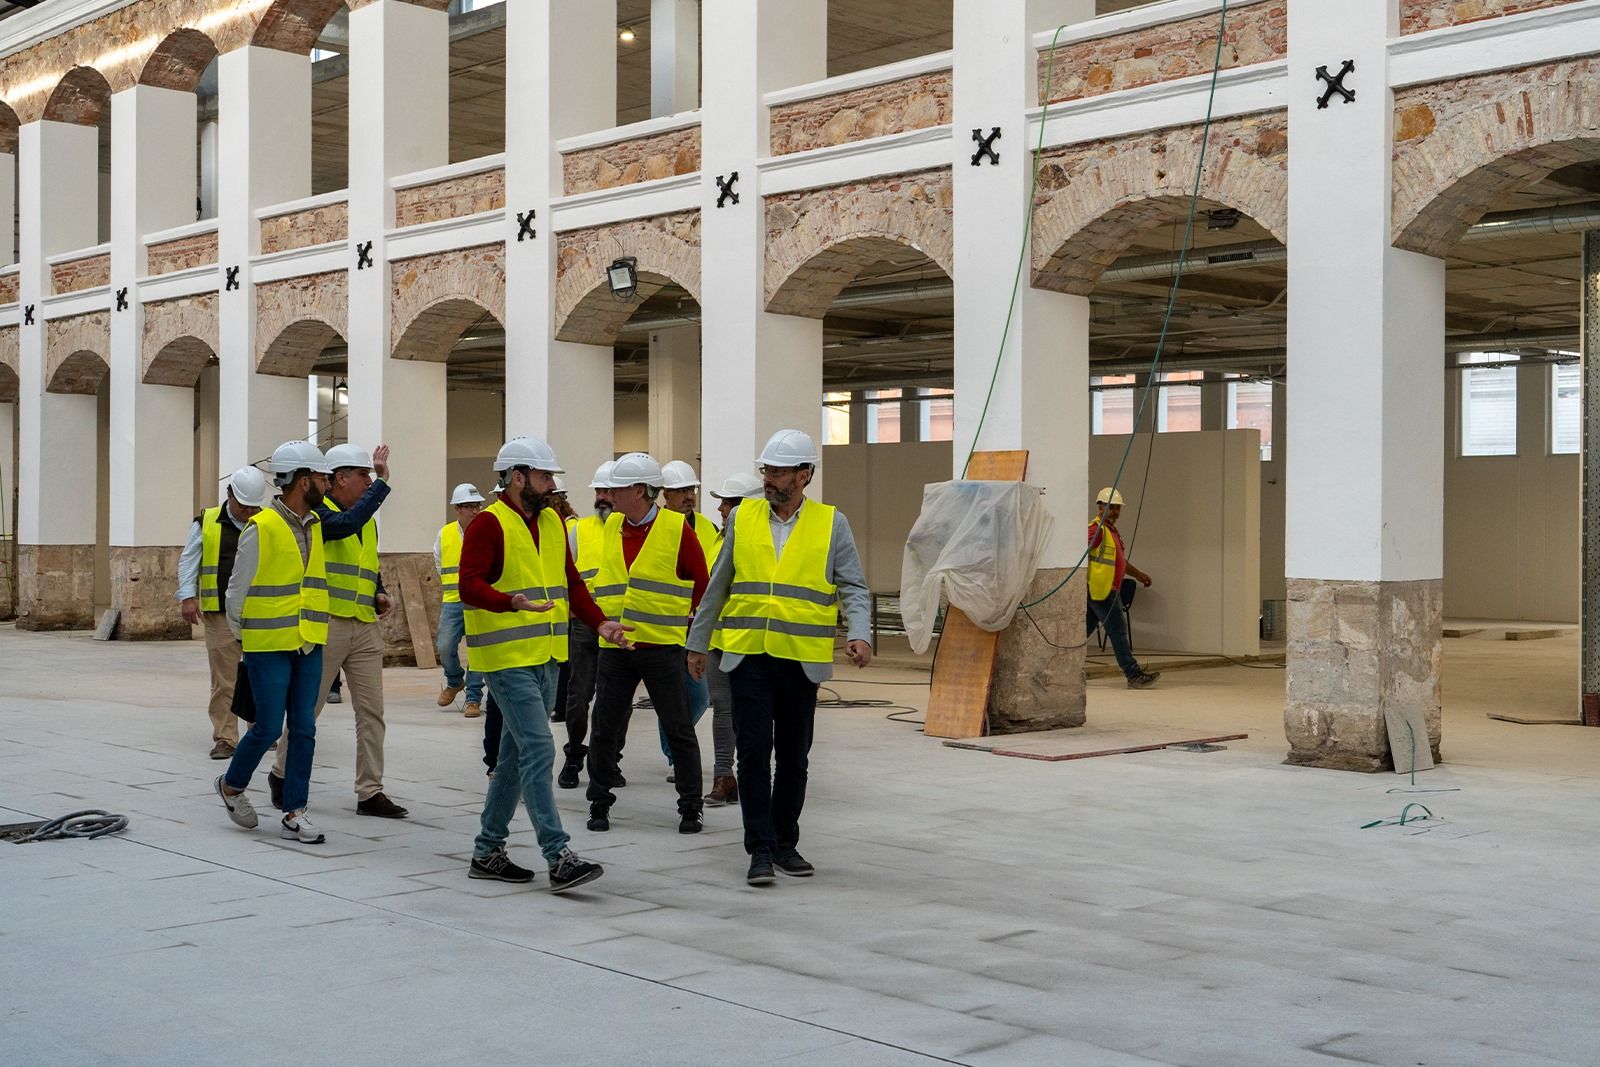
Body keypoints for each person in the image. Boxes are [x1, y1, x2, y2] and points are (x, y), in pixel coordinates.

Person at [687, 430, 873, 886]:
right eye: (766, 470)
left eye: (778, 471)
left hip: (799, 662)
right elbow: (720, 583)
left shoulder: (832, 523)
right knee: (753, 754)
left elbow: (852, 585)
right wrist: (698, 640)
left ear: (804, 475)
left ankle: (786, 842)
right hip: (748, 655)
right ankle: (760, 850)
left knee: (794, 758)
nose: (768, 479)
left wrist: (861, 633)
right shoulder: (744, 518)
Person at [459, 436, 621, 892]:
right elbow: (468, 585)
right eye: (546, 476)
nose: (553, 485)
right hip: (506, 659)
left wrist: (601, 623)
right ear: (517, 477)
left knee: (513, 758)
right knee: (538, 749)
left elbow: (572, 582)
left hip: (547, 656)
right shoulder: (488, 525)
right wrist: (510, 601)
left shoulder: (551, 521)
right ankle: (558, 854)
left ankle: (487, 850)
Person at [268, 443, 407, 818]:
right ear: (339, 478)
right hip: (326, 625)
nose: (368, 481)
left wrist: (378, 591)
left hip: (363, 625)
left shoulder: (367, 521)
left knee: (372, 713)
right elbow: (345, 526)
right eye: (364, 475)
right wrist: (383, 484)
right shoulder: (317, 515)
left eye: (369, 475)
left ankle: (370, 791)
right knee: (307, 710)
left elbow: (366, 562)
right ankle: (281, 773)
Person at [213, 440, 333, 845]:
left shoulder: (316, 523)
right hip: (266, 644)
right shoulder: (261, 526)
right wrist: (243, 637)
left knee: (304, 728)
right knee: (266, 728)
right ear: (302, 481)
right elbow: (236, 591)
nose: (326, 482)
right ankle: (231, 785)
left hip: (309, 640)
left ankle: (294, 811)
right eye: (320, 476)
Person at [584, 452, 709, 835]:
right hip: (616, 649)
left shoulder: (676, 529)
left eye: (616, 490)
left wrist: (695, 643)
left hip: (661, 648)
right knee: (604, 727)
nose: (607, 495)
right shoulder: (611, 527)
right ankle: (599, 803)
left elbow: (702, 586)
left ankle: (691, 807)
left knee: (678, 727)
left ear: (639, 491)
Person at [178, 466, 269, 759]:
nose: (247, 512)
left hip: (261, 609)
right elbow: (189, 560)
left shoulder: (268, 521)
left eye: (253, 507)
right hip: (219, 612)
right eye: (243, 506)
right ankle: (226, 737)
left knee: (263, 674)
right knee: (224, 678)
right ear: (229, 495)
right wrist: (187, 596)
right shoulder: (206, 521)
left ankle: (260, 731)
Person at [700, 471, 763, 806]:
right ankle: (723, 775)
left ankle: (752, 777)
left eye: (730, 502)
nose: (722, 508)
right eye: (722, 502)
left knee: (750, 713)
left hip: (749, 641)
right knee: (722, 708)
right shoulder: (717, 539)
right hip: (717, 641)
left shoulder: (758, 543)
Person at [556, 460, 616, 790]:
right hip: (584, 624)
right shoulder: (580, 530)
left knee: (614, 701)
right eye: (599, 491)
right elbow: (570, 576)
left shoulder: (629, 530)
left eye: (609, 491)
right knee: (578, 696)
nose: (603, 497)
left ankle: (609, 760)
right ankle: (574, 756)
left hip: (618, 626)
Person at [657, 460, 714, 782]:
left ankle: (675, 746)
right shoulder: (656, 527)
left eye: (690, 490)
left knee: (699, 695)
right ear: (665, 495)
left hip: (697, 625)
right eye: (681, 491)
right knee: (671, 695)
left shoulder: (707, 528)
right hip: (664, 624)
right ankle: (676, 755)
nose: (689, 496)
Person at [1086, 487, 1160, 690]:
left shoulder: (1111, 533)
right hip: (1102, 591)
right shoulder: (1097, 531)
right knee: (1118, 632)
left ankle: (1054, 667)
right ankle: (1133, 673)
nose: (1115, 512)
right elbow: (1077, 549)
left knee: (1080, 633)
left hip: (1102, 591)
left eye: (1118, 508)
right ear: (1100, 507)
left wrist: (1139, 575)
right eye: (1111, 508)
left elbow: (1120, 562)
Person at [435, 482, 487, 718]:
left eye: (477, 506)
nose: (475, 511)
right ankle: (455, 681)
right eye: (470, 507)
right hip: (453, 600)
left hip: (479, 601)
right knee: (445, 646)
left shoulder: (487, 532)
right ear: (457, 509)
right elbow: (439, 563)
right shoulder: (445, 534)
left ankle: (473, 698)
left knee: (476, 651)